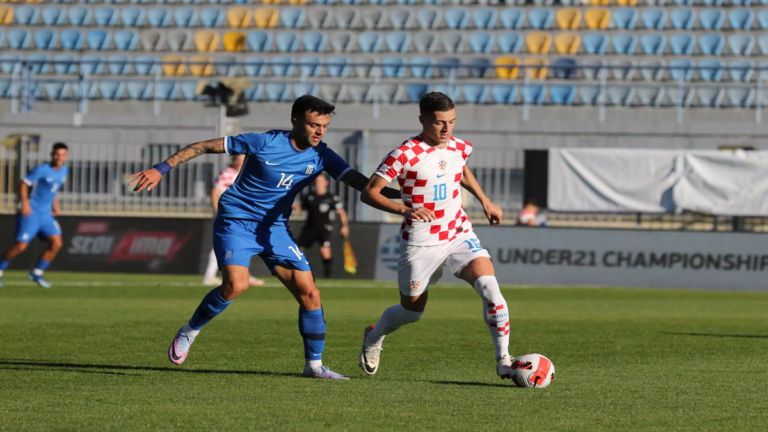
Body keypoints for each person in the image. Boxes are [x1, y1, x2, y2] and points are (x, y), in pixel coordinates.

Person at [128, 95, 399, 380]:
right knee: (236, 285)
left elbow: (358, 181)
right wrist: (161, 168)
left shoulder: (323, 155)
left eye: (324, 126)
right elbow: (206, 145)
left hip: (275, 229)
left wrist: (402, 195)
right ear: (295, 120)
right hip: (237, 222)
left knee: (311, 294)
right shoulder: (263, 142)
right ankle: (189, 331)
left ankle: (314, 367)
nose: (320, 131)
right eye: (313, 125)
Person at [358, 92, 513, 380]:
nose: (446, 128)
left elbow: (460, 170)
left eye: (452, 121)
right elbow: (369, 193)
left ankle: (503, 359)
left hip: (457, 231)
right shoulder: (404, 154)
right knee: (411, 312)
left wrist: (485, 200)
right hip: (421, 240)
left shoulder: (460, 146)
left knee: (491, 290)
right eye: (439, 122)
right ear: (422, 120)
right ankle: (375, 335)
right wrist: (405, 209)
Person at [0, 143, 69, 289]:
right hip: (31, 213)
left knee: (57, 243)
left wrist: (55, 204)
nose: (59, 157)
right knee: (20, 247)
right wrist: (25, 203)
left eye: (62, 154)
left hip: (46, 215)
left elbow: (53, 190)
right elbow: (23, 183)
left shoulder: (64, 171)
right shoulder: (42, 169)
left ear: (66, 156)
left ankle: (37, 272)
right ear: (52, 154)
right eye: (56, 154)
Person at [203, 154, 265, 287]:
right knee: (223, 243)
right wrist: (216, 211)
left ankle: (244, 275)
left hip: (243, 215)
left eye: (241, 160)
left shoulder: (248, 173)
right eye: (237, 159)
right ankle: (210, 275)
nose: (238, 162)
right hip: (229, 215)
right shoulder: (227, 173)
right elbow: (215, 191)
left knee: (244, 244)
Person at [295, 175, 349, 278]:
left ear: (326, 183)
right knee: (298, 250)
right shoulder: (309, 196)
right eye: (316, 181)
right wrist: (295, 207)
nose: (318, 183)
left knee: (325, 251)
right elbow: (302, 208)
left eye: (320, 181)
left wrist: (344, 226)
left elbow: (341, 212)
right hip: (309, 227)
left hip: (324, 228)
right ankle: (296, 271)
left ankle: (327, 275)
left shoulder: (331, 197)